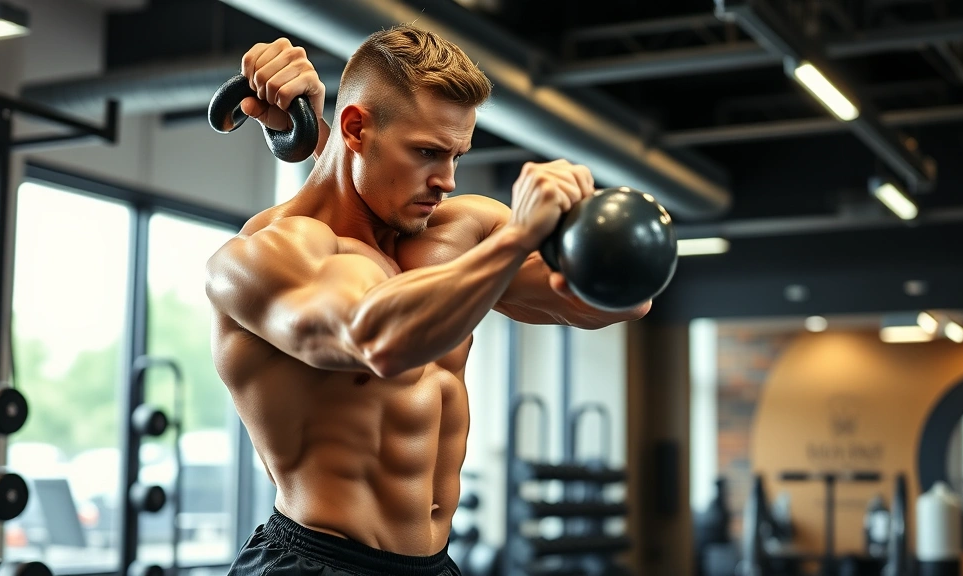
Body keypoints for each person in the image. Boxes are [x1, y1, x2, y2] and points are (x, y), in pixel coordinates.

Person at [205, 24, 652, 576]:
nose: (446, 180)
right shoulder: (265, 256)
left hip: (434, 564)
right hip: (315, 563)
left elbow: (614, 304)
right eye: (426, 153)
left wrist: (600, 238)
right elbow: (375, 339)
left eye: (457, 155)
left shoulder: (456, 233)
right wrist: (518, 238)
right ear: (355, 129)